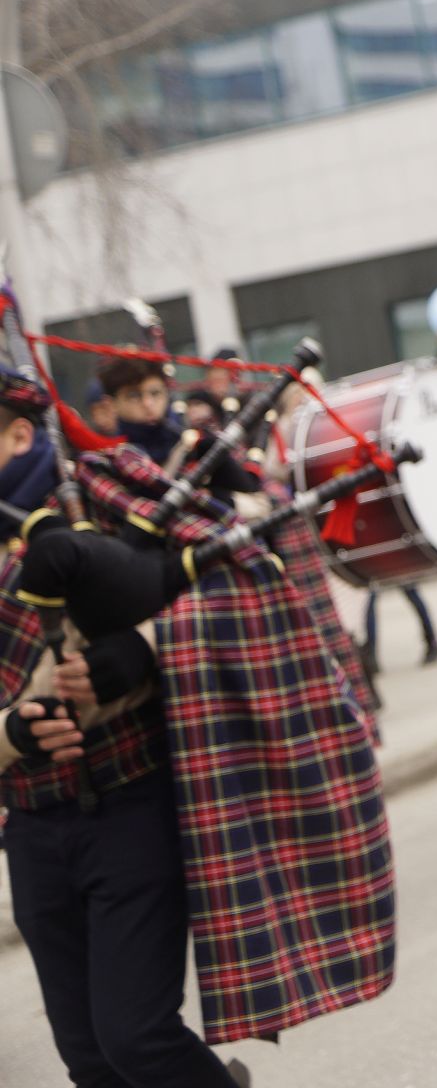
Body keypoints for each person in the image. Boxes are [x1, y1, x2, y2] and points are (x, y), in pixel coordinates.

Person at [0, 363, 254, 1087]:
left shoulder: (110, 495)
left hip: (129, 802)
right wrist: (12, 733)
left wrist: (141, 650)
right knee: (88, 1059)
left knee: (136, 1038)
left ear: (21, 433)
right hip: (31, 825)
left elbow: (242, 581)